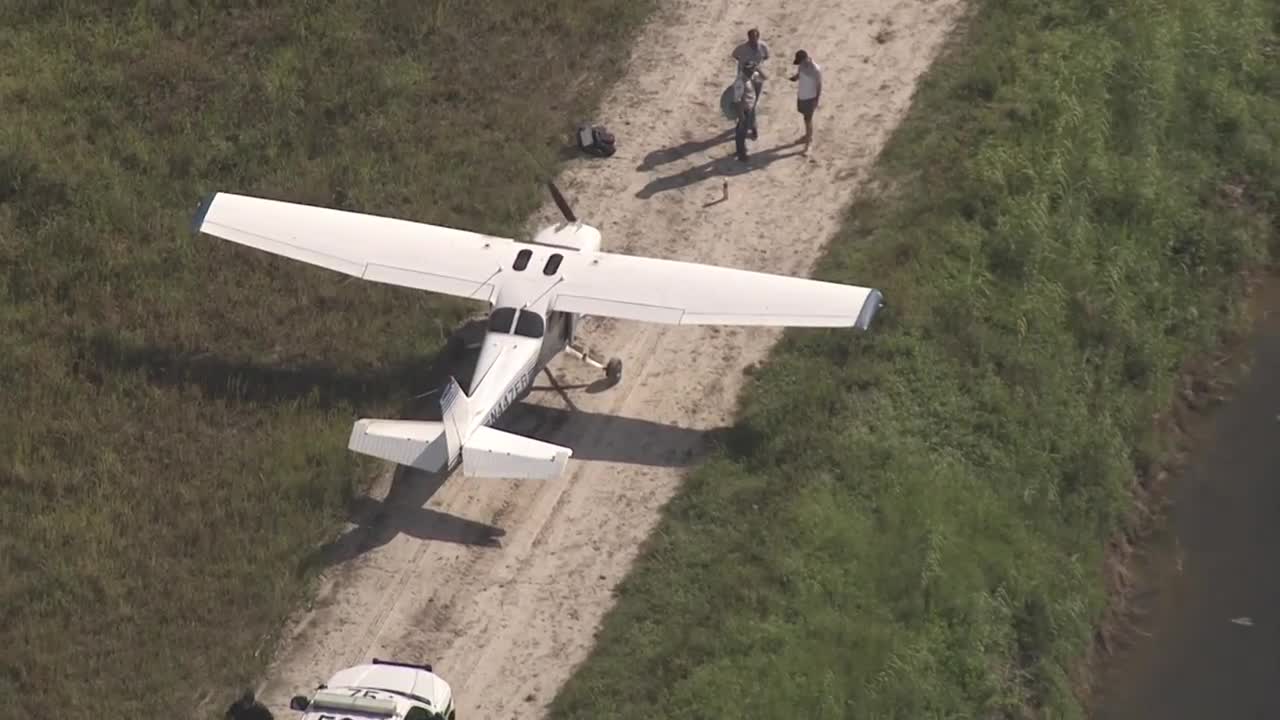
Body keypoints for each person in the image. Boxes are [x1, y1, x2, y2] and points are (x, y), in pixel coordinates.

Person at [731, 29, 769, 139]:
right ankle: (751, 126)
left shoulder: (763, 47)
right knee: (746, 104)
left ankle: (749, 125)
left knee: (752, 104)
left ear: (758, 37)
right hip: (745, 78)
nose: (753, 40)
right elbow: (735, 55)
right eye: (751, 38)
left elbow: (766, 56)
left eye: (755, 38)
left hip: (756, 79)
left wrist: (757, 67)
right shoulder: (742, 48)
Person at [789, 50, 822, 154]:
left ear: (805, 59)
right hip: (801, 96)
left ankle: (808, 145)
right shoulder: (802, 66)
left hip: (810, 98)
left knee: (808, 120)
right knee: (805, 118)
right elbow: (800, 73)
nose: (799, 64)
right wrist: (795, 77)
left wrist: (816, 99)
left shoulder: (815, 69)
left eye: (800, 61)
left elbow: (819, 85)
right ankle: (807, 136)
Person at [732, 62, 762, 162]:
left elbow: (764, 77)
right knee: (741, 133)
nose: (752, 72)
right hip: (744, 110)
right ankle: (741, 155)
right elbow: (737, 101)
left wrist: (758, 69)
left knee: (741, 131)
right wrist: (741, 116)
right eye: (751, 70)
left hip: (749, 107)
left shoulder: (750, 76)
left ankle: (740, 151)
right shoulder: (740, 82)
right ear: (745, 70)